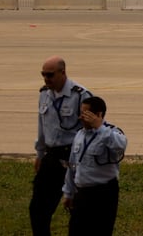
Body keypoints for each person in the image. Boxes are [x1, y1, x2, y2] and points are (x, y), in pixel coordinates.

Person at [30, 55, 92, 236]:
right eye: (43, 75)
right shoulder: (44, 94)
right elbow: (42, 126)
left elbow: (91, 129)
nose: (46, 79)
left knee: (76, 207)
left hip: (73, 157)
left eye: (50, 75)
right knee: (38, 208)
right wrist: (40, 154)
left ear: (62, 73)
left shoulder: (80, 95)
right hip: (51, 157)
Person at [62, 96, 127, 236]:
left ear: (98, 115)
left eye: (85, 114)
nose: (80, 117)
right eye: (81, 112)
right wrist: (69, 192)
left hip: (103, 195)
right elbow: (73, 165)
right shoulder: (79, 135)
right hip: (82, 194)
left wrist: (99, 127)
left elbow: (120, 145)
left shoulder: (112, 132)